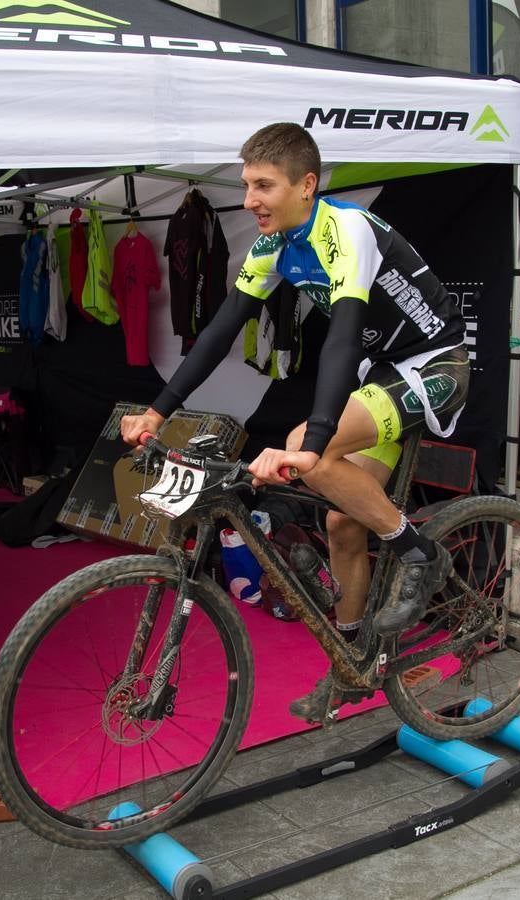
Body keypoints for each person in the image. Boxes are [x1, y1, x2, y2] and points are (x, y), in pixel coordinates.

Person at [121, 122, 469, 721]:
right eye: (246, 184)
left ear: (307, 185)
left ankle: (419, 554)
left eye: (263, 185)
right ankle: (352, 663)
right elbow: (221, 331)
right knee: (340, 522)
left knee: (308, 448)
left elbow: (338, 342)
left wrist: (313, 441)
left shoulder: (348, 230)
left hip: (434, 362)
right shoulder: (274, 245)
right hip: (379, 371)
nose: (250, 199)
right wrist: (157, 409)